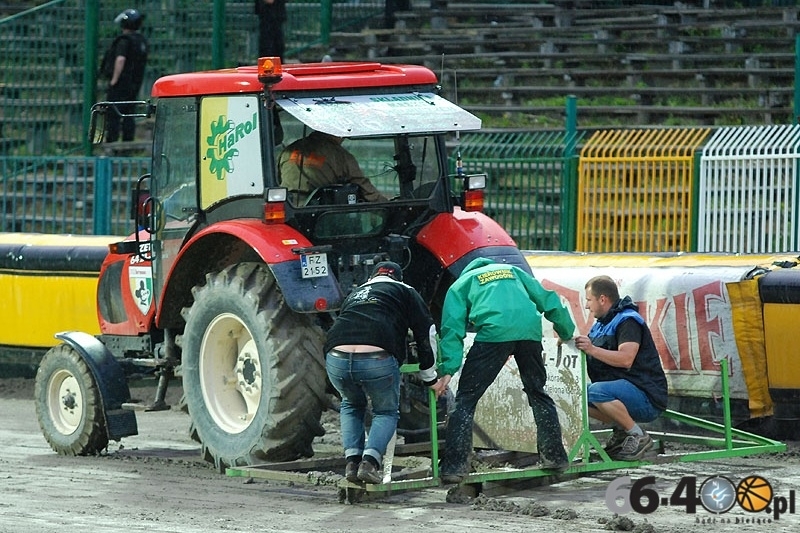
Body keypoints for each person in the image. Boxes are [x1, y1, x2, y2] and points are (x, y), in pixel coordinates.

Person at [436, 257, 576, 483]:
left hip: (493, 334)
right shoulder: (512, 271)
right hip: (529, 332)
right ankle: (555, 457)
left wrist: (448, 368)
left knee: (466, 400)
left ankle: (455, 466)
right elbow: (547, 299)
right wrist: (566, 331)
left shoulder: (462, 283)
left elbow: (452, 328)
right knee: (537, 392)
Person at [324, 261, 444, 484]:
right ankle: (369, 463)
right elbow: (425, 333)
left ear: (371, 277)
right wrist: (431, 378)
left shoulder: (356, 293)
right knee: (386, 412)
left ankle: (351, 464)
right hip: (376, 358)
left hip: (336, 357)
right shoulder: (405, 291)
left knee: (350, 405)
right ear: (398, 278)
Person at [574, 275, 668, 461]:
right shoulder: (601, 324)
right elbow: (592, 351)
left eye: (588, 300)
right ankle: (621, 432)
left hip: (646, 396)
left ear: (602, 299)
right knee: (576, 395)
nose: (586, 306)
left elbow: (626, 359)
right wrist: (570, 341)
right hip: (622, 393)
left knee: (595, 392)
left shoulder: (628, 321)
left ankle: (637, 435)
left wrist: (591, 348)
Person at [278, 130, 388, 204]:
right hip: (321, 215)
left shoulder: (288, 151)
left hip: (288, 208)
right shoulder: (341, 156)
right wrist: (387, 205)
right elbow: (366, 189)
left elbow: (278, 179)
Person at [103, 9, 148, 143]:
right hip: (135, 82)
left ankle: (112, 140)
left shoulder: (124, 41)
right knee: (129, 112)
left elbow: (120, 59)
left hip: (122, 82)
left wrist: (114, 79)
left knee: (114, 112)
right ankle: (128, 140)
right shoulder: (141, 41)